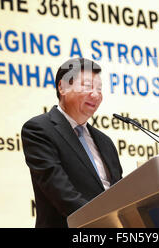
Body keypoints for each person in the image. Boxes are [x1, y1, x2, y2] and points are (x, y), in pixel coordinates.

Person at [21, 58, 123, 228]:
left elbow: (119, 193)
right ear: (62, 87)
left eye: (99, 89)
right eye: (87, 86)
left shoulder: (105, 142)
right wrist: (105, 224)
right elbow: (62, 193)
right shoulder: (39, 130)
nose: (96, 94)